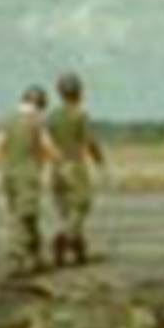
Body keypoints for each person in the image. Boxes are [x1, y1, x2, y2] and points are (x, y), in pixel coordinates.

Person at [0, 85, 55, 275]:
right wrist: (55, 165)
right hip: (28, 174)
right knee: (23, 216)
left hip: (9, 174)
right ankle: (16, 253)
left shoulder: (6, 120)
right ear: (40, 102)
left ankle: (35, 255)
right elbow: (47, 146)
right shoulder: (37, 121)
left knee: (25, 214)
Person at [48, 72, 105, 268]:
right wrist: (100, 162)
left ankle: (78, 250)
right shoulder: (80, 115)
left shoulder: (51, 117)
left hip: (56, 167)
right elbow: (90, 142)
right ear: (78, 92)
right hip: (74, 166)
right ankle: (64, 238)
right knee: (81, 205)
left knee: (65, 209)